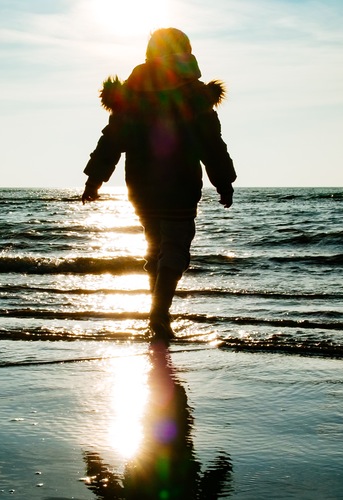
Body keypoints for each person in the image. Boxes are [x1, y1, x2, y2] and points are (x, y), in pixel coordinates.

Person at [82, 28, 236, 341]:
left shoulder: (133, 94)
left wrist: (94, 179)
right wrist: (223, 182)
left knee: (156, 247)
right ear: (187, 54)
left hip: (140, 186)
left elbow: (112, 139)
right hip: (179, 184)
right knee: (175, 247)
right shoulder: (193, 95)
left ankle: (157, 312)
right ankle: (160, 313)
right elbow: (211, 144)